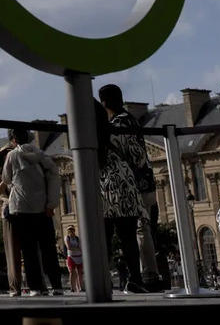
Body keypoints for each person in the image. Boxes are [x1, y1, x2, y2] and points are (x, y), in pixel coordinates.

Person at [94, 83, 146, 294]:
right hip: (127, 185)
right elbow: (139, 157)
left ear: (104, 103)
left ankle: (102, 280)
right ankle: (135, 279)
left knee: (104, 238)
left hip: (106, 187)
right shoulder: (131, 122)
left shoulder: (106, 127)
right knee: (128, 237)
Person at [0, 127, 62, 296]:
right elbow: (54, 172)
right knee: (48, 248)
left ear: (14, 140)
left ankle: (36, 287)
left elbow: (6, 178)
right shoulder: (41, 155)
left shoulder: (12, 155)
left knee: (29, 250)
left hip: (22, 207)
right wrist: (51, 203)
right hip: (42, 206)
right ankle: (56, 285)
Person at [64, 225, 83, 293]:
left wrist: (76, 248)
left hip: (79, 257)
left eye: (72, 230)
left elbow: (81, 248)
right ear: (68, 231)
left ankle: (80, 287)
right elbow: (69, 247)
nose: (71, 231)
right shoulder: (67, 238)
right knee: (72, 272)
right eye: (69, 230)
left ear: (74, 231)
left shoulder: (77, 238)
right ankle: (72, 287)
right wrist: (77, 248)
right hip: (71, 257)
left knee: (79, 272)